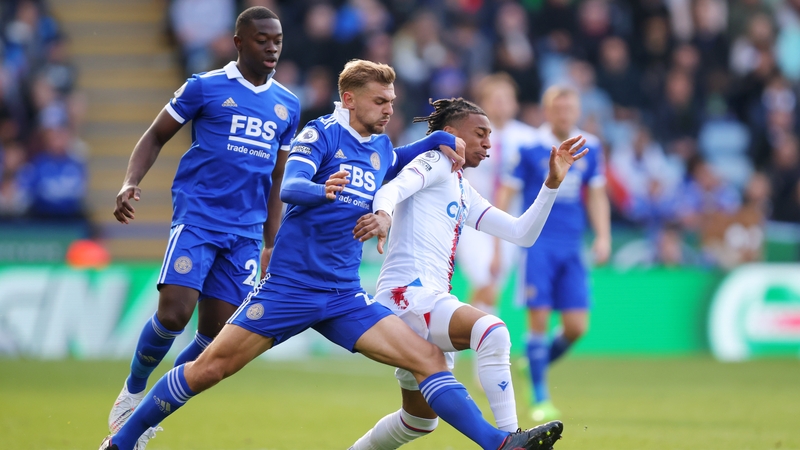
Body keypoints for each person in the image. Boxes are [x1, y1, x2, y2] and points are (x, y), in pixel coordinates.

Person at [100, 60, 564, 450]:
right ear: (349, 99)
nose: (389, 109)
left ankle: (499, 444)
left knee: (429, 360)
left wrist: (435, 141)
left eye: (392, 101)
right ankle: (121, 442)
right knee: (208, 369)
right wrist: (321, 190)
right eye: (380, 101)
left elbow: (399, 161)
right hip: (289, 289)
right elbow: (291, 186)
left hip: (343, 295)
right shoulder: (320, 134)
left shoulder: (380, 148)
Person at [106, 6, 301, 447]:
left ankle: (149, 411)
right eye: (262, 40)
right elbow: (155, 135)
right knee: (174, 313)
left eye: (277, 40)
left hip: (246, 233)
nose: (271, 47)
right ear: (238, 42)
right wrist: (130, 181)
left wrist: (272, 242)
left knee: (214, 338)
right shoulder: (205, 87)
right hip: (199, 217)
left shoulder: (288, 104)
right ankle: (133, 391)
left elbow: (277, 177)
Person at [350, 98, 587, 450]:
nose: (488, 143)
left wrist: (551, 184)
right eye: (480, 134)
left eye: (490, 135)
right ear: (450, 134)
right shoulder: (436, 161)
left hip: (423, 300)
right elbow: (390, 189)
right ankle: (512, 439)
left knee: (418, 421)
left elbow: (522, 233)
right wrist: (384, 215)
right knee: (492, 332)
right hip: (408, 296)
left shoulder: (461, 186)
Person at [505, 85, 611, 422]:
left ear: (578, 111)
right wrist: (498, 235)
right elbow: (508, 191)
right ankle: (540, 397)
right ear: (547, 111)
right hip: (538, 243)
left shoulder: (591, 146)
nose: (564, 114)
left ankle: (533, 365)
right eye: (558, 108)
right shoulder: (530, 147)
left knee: (577, 326)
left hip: (572, 244)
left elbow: (597, 194)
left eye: (570, 108)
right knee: (538, 318)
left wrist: (603, 235)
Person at [457, 73, 538, 321]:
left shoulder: (529, 140)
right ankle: (483, 337)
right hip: (472, 219)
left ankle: (457, 337)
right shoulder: (467, 136)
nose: (501, 104)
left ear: (515, 103)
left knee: (491, 288)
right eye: (495, 99)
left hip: (508, 220)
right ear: (483, 104)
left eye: (506, 98)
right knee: (485, 280)